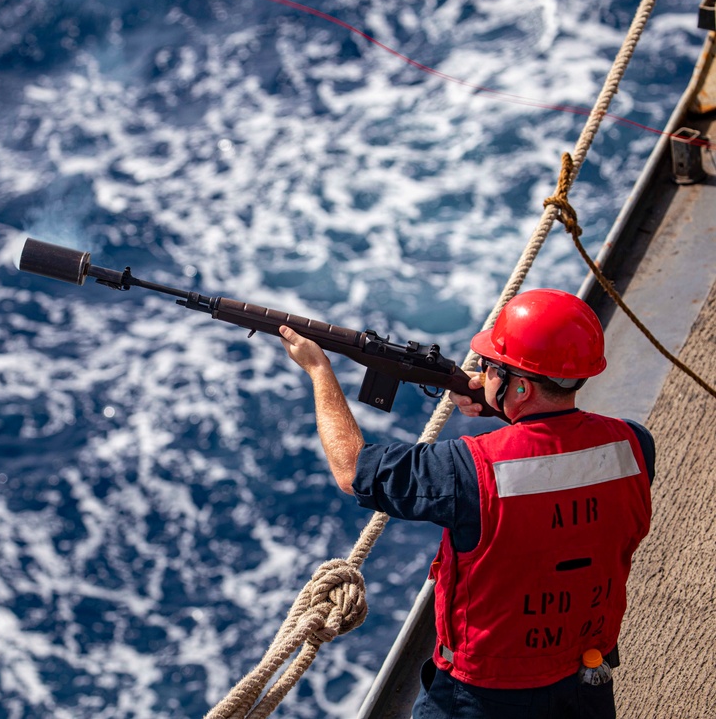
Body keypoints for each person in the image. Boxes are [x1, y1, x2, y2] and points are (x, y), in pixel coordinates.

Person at [277, 288, 654, 719]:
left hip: (482, 699)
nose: (483, 372)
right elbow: (555, 451)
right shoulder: (635, 445)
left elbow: (351, 470)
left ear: (522, 385)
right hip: (585, 679)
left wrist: (319, 370)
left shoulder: (469, 470)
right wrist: (506, 406)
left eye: (492, 366)